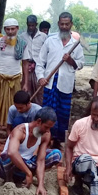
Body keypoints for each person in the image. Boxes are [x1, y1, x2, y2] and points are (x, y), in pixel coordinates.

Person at [36, 13, 85, 144]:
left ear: (71, 25)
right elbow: (40, 62)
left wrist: (70, 60)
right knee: (47, 113)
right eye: (62, 24)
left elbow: (80, 65)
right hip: (49, 83)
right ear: (58, 24)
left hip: (65, 85)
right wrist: (41, 77)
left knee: (63, 114)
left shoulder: (76, 45)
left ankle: (58, 142)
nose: (64, 26)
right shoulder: (50, 41)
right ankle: (45, 139)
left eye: (67, 24)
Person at [0, 107, 62, 195]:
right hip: (7, 167)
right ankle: (9, 181)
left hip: (27, 165)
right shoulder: (20, 131)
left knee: (56, 154)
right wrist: (29, 173)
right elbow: (12, 152)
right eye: (46, 127)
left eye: (49, 128)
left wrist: (40, 185)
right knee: (7, 155)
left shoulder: (46, 135)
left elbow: (41, 160)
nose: (47, 131)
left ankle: (24, 177)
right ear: (39, 121)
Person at [0, 18, 30, 146]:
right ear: (5, 30)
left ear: (17, 29)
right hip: (0, 78)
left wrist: (25, 82)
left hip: (15, 79)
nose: (10, 31)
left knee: (15, 109)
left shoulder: (22, 43)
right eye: (8, 29)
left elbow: (25, 63)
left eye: (13, 29)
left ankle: (11, 135)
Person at [20, 15, 48, 106]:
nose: (31, 27)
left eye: (32, 25)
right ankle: (28, 108)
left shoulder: (43, 37)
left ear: (36, 24)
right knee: (26, 88)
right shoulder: (22, 37)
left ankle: (39, 109)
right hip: (26, 67)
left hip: (39, 67)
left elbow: (47, 52)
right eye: (29, 25)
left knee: (39, 90)